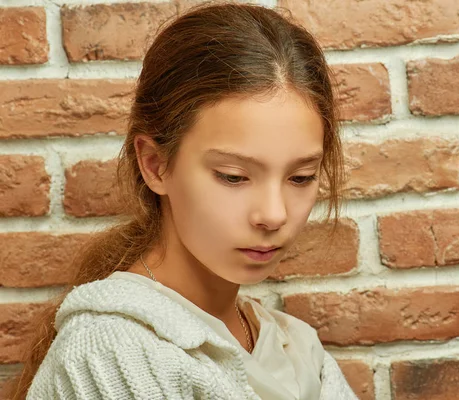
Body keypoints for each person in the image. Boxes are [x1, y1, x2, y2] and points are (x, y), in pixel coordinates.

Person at [3, 1, 358, 399]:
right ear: (155, 165)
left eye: (301, 177)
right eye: (234, 177)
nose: (274, 214)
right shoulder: (112, 351)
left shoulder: (297, 350)